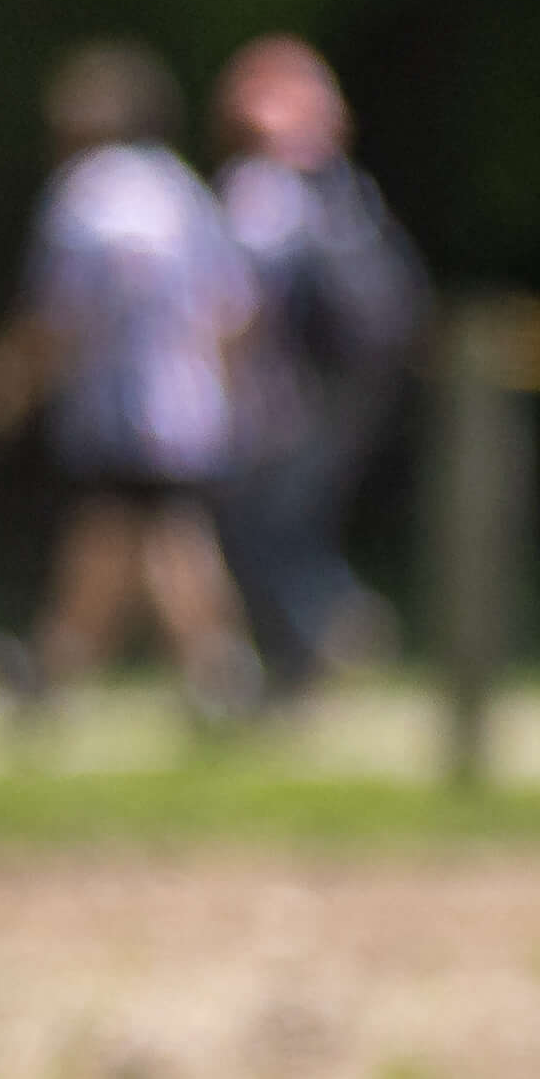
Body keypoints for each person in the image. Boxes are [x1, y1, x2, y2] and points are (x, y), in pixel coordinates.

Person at [0, 37, 255, 715]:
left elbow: (58, 314)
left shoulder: (84, 194)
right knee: (152, 537)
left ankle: (62, 672)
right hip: (190, 406)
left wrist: (8, 385)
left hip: (119, 407)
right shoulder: (182, 189)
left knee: (128, 536)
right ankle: (200, 672)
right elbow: (232, 311)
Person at [208, 34, 427, 684]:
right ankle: (308, 658)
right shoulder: (345, 189)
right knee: (294, 525)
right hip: (357, 385)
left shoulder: (262, 186)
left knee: (261, 529)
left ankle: (333, 626)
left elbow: (243, 296)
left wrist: (217, 375)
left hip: (289, 396)